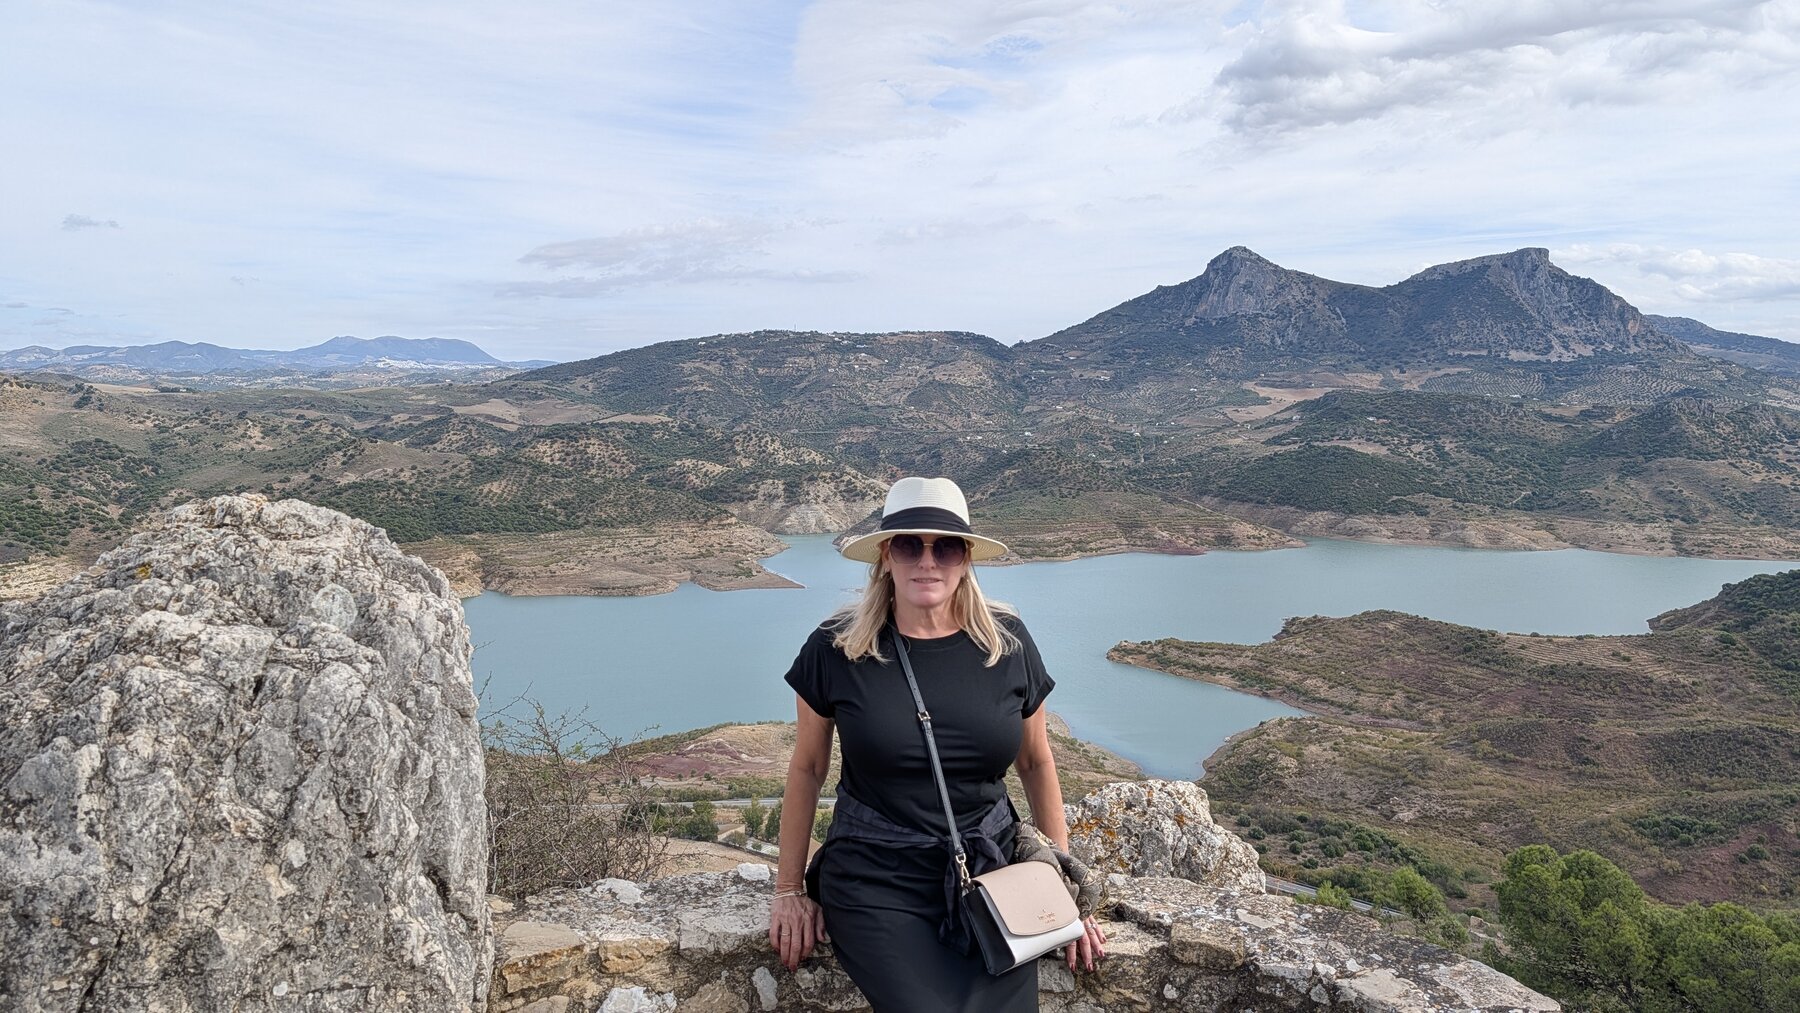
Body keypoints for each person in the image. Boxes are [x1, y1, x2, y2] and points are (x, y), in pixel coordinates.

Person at [766, 476, 1106, 1012]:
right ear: (884, 556)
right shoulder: (835, 649)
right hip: (874, 876)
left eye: (945, 546)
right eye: (909, 545)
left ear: (966, 558)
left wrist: (1059, 887)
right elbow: (807, 768)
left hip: (991, 873)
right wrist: (789, 893)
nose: (928, 561)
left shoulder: (1007, 643)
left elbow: (1037, 762)